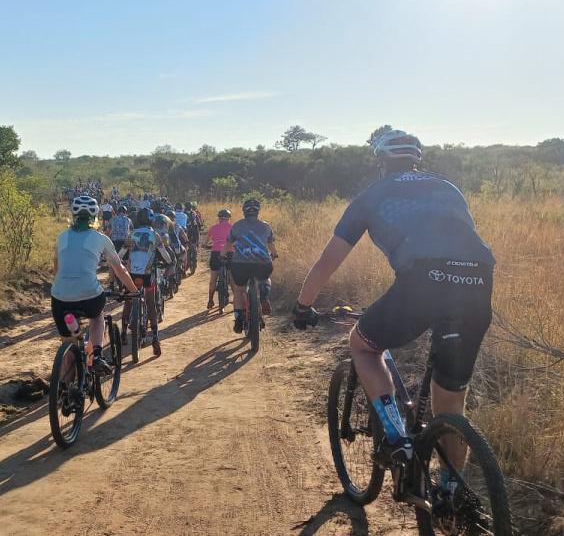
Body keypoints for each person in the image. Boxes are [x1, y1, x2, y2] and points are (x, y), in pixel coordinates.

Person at [291, 129, 495, 492]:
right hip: (477, 282)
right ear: (417, 158)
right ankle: (451, 491)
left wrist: (302, 305)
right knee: (450, 400)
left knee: (364, 345)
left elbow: (328, 261)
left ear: (380, 161)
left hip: (422, 281)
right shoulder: (448, 188)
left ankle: (396, 437)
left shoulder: (372, 196)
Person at [52, 196, 139, 363]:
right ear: (96, 216)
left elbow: (57, 269)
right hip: (89, 294)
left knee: (69, 348)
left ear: (73, 215)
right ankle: (97, 354)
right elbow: (119, 270)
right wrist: (134, 291)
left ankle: (62, 385)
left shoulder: (61, 237)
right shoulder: (101, 238)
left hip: (59, 297)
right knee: (97, 316)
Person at [221, 198, 278, 333]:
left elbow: (228, 244)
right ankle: (264, 296)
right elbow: (271, 245)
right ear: (258, 211)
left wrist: (222, 255)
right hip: (262, 263)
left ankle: (239, 318)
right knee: (265, 279)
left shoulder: (237, 226)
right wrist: (274, 255)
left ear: (244, 211)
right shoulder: (266, 226)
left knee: (239, 290)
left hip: (240, 264)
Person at [123, 208, 173, 357]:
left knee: (129, 300)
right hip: (147, 274)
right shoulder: (155, 235)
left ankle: (123, 332)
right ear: (151, 221)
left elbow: (122, 252)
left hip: (132, 274)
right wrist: (170, 263)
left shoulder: (132, 234)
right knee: (150, 305)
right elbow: (164, 253)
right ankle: (156, 338)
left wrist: (119, 262)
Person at [204, 208, 234, 309]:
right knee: (232, 279)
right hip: (230, 253)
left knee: (213, 279)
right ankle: (236, 299)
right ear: (229, 218)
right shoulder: (233, 228)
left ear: (219, 218)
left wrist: (205, 246)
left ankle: (210, 300)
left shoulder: (213, 228)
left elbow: (206, 242)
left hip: (216, 253)